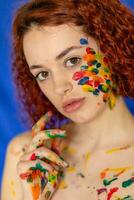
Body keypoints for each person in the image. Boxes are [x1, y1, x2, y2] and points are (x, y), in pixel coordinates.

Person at [1, 0, 134, 199]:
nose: (59, 87)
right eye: (43, 74)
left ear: (109, 48)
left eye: (72, 61)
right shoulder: (25, 157)